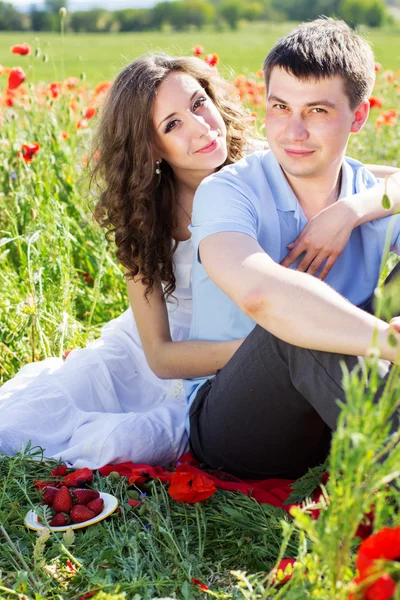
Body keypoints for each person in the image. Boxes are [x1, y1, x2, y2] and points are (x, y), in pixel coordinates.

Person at [0, 50, 397, 469]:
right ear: (150, 147)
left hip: (279, 328)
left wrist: (349, 211)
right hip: (189, 359)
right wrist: (300, 332)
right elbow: (161, 356)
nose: (202, 129)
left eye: (198, 104)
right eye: (173, 125)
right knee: (37, 420)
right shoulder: (144, 219)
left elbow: (381, 177)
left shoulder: (272, 159)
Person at [185, 18, 400, 481]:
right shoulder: (228, 190)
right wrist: (390, 345)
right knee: (293, 322)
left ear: (358, 116)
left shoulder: (366, 188)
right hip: (239, 422)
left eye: (317, 111)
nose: (293, 132)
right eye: (280, 106)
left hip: (341, 398)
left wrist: (352, 210)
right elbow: (260, 295)